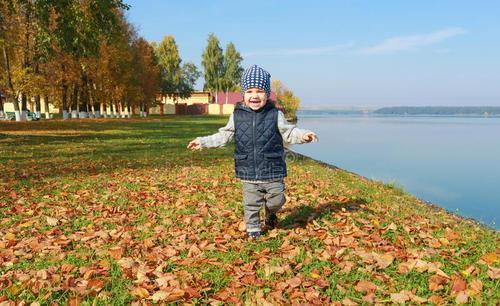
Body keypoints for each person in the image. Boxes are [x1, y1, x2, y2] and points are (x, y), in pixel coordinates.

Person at [187, 65, 318, 239]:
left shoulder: (275, 114)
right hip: (248, 169)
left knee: (277, 200)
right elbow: (224, 136)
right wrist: (202, 142)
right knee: (251, 204)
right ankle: (253, 230)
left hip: (272, 170)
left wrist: (304, 135)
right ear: (243, 95)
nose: (254, 95)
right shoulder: (237, 116)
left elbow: (289, 132)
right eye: (249, 91)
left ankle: (270, 213)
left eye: (259, 91)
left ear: (267, 94)